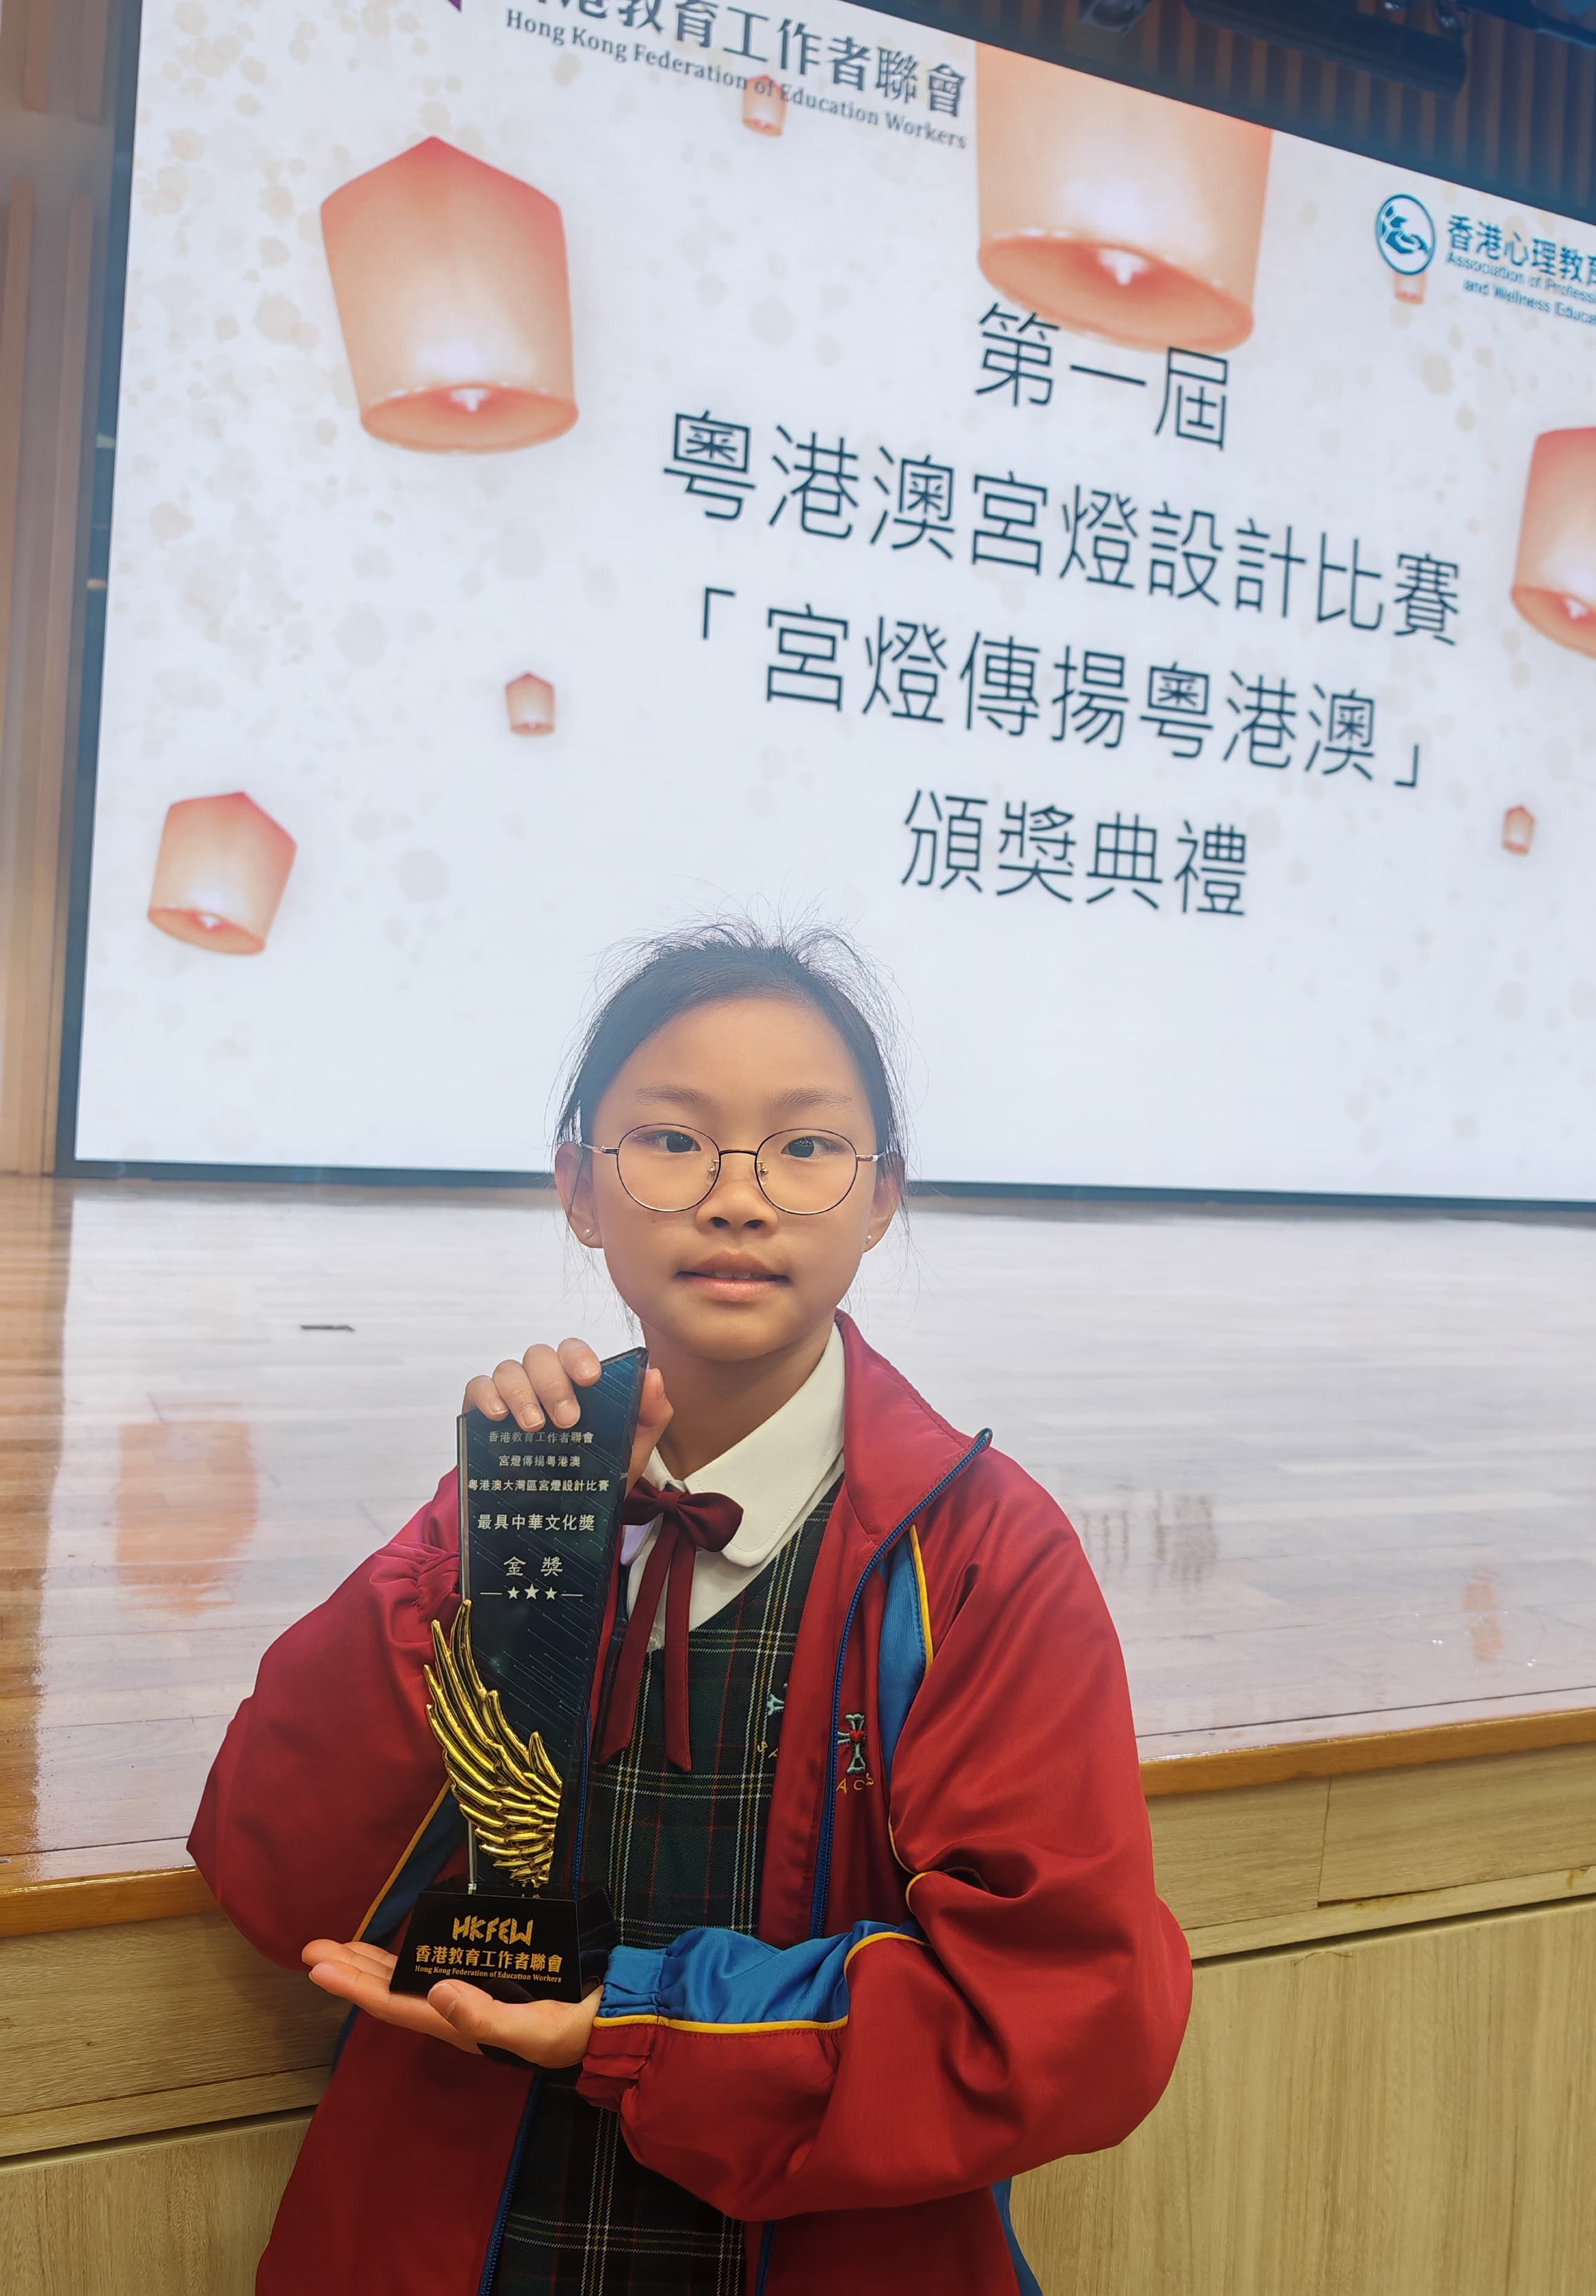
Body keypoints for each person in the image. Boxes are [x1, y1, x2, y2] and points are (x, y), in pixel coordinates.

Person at [191, 921, 1191, 2295]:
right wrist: (486, 1547)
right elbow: (276, 1875)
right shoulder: (505, 1510)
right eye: (671, 1140)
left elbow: (1064, 2017)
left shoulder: (978, 1557)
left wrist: (639, 2019)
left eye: (805, 1145)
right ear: (578, 1188)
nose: (738, 1198)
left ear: (882, 1195)